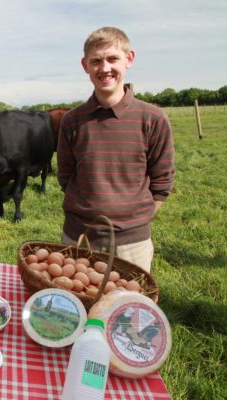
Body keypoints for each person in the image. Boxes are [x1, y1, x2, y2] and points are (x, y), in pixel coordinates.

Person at [57, 27, 175, 272]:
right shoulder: (72, 120)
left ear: (129, 59)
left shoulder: (153, 118)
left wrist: (133, 221)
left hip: (132, 244)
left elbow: (162, 182)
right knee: (78, 305)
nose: (104, 68)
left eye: (113, 59)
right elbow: (65, 176)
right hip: (80, 237)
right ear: (85, 65)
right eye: (96, 61)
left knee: (128, 307)